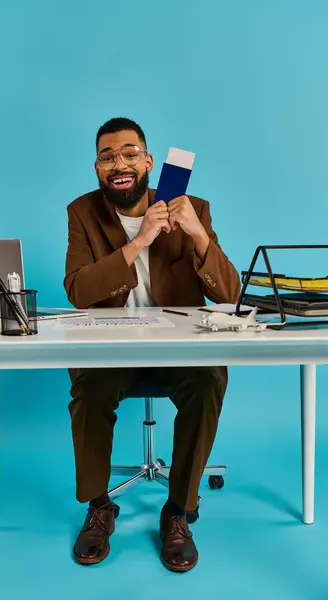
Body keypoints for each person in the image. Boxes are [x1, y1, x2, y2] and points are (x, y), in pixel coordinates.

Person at [64, 117, 240, 572]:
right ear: (97, 168)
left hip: (178, 352)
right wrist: (140, 239)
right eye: (107, 157)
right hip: (113, 350)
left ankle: (177, 510)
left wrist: (197, 234)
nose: (118, 164)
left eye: (128, 154)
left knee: (209, 381)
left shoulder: (192, 208)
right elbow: (79, 291)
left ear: (147, 162)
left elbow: (229, 294)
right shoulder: (82, 212)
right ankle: (100, 505)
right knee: (89, 386)